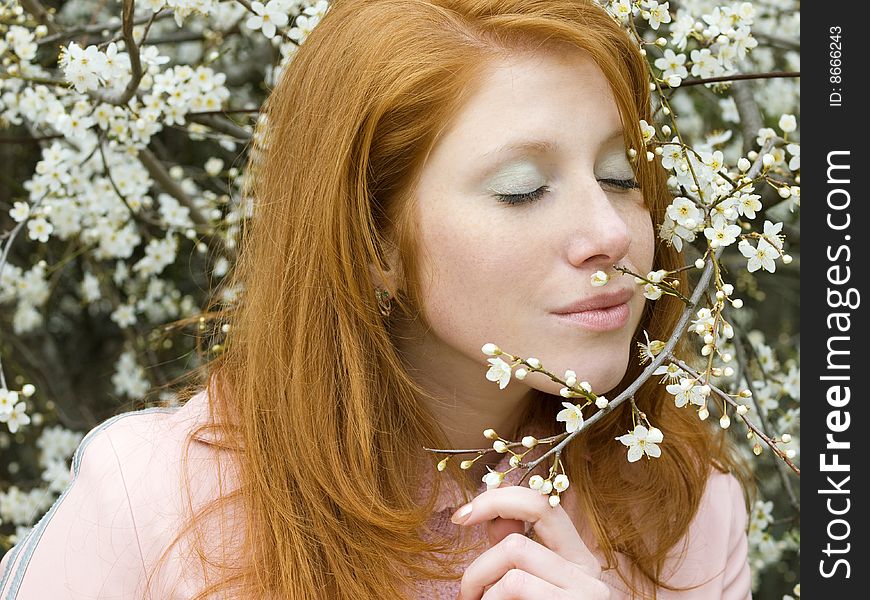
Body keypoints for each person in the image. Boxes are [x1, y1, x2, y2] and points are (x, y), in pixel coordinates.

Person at [0, 0, 753, 598]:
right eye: (523, 190)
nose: (608, 231)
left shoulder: (683, 510)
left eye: (622, 176)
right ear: (370, 241)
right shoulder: (155, 508)